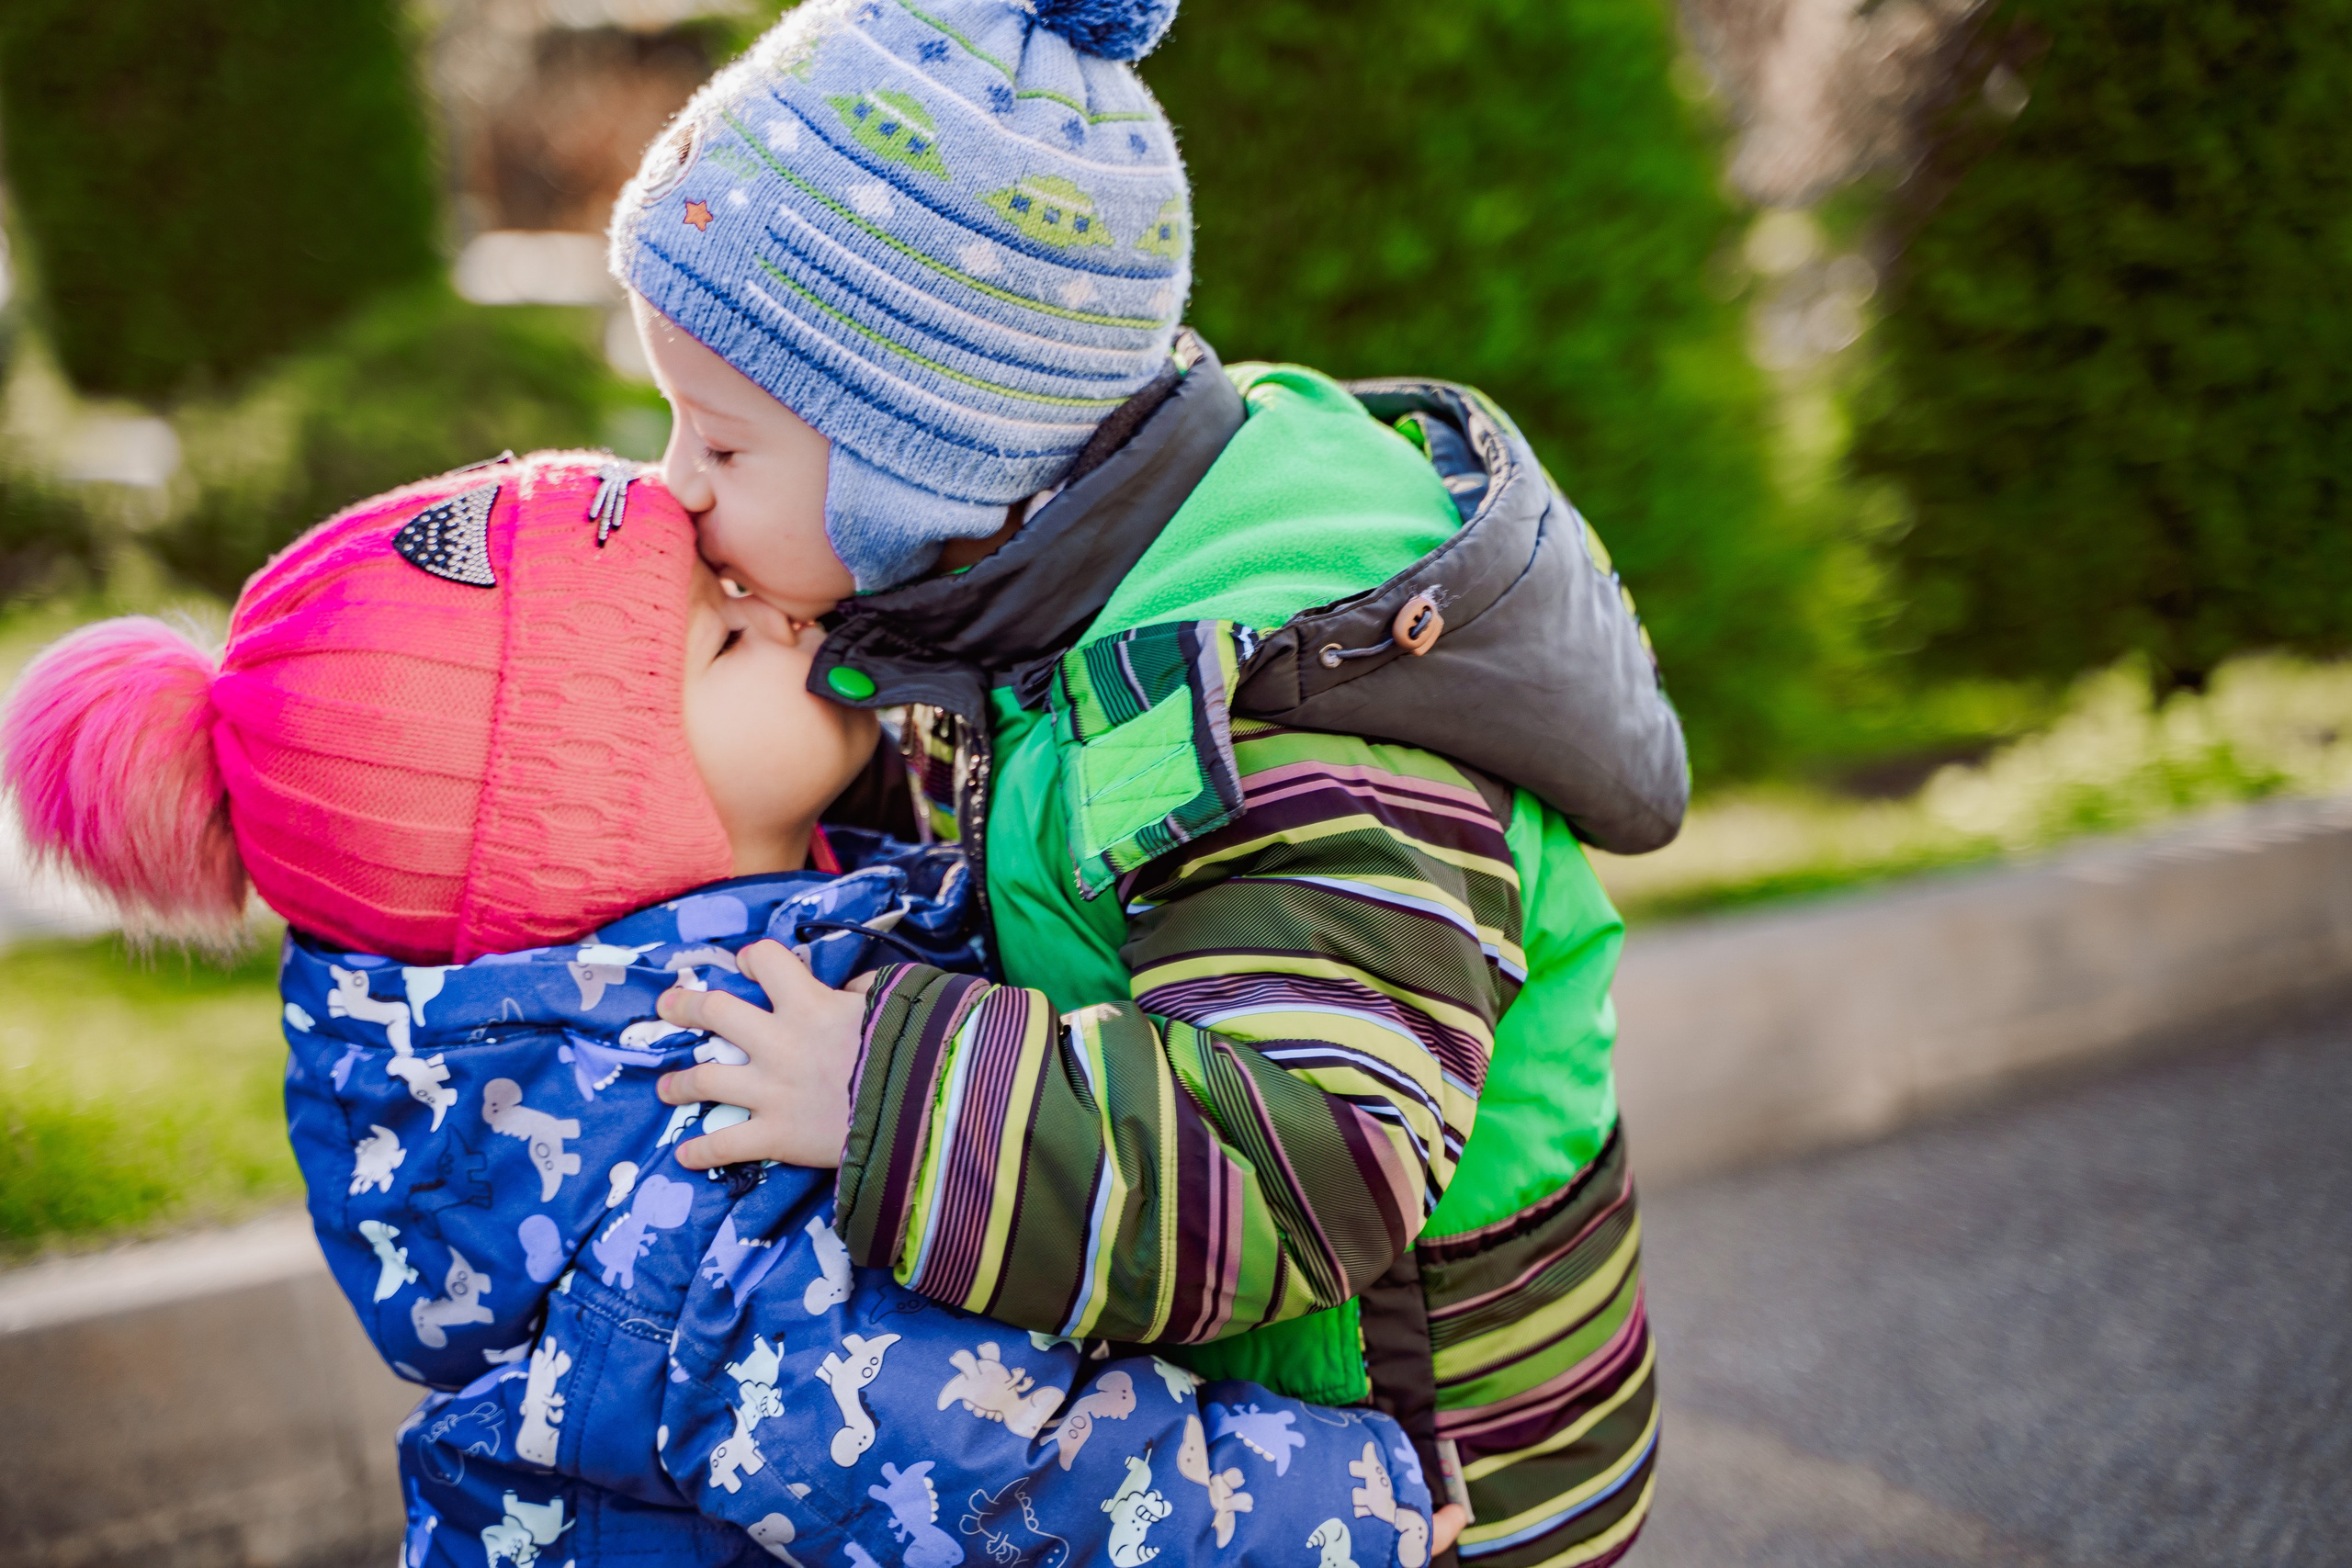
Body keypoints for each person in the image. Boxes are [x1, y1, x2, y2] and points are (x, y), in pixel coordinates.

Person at [607, 2, 1681, 1562]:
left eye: (718, 442)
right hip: (1245, 1441)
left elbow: (1304, 1147)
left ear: (934, 456)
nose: (671, 488)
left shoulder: (1284, 709)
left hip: (1424, 1473)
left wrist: (884, 1094)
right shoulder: (1017, 599)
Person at [0, 453, 1440, 1568]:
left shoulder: (697, 977)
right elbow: (977, 1473)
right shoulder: (699, 1129)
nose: (779, 600)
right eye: (723, 640)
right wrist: (1343, 1512)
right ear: (594, 844)